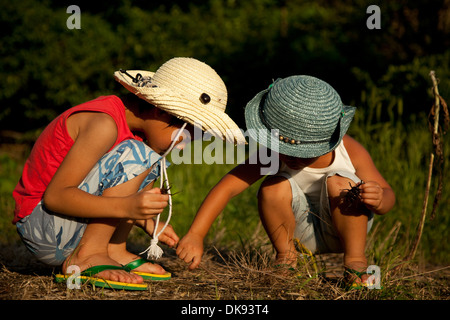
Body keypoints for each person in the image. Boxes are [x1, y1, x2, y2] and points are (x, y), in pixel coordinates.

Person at [12, 57, 246, 290]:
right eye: (185, 133)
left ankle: (113, 248)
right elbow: (56, 198)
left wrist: (146, 221)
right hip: (44, 228)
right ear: (160, 110)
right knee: (137, 154)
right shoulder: (103, 125)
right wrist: (127, 207)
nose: (184, 145)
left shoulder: (136, 132)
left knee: (150, 157)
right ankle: (88, 254)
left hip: (67, 227)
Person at [177, 75, 395, 288]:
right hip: (299, 235)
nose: (291, 157)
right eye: (284, 148)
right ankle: (286, 257)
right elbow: (227, 187)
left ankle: (355, 261)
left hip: (346, 231)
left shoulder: (349, 151)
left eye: (302, 151)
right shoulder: (273, 154)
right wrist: (196, 234)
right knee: (274, 185)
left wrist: (378, 199)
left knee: (341, 184)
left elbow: (387, 194)